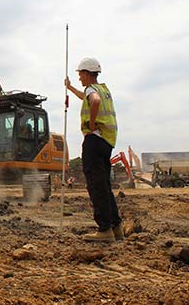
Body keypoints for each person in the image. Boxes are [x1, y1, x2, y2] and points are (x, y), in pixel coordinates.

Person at [65, 57, 123, 242]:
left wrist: (90, 125)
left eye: (80, 74)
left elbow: (94, 101)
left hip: (94, 141)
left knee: (96, 186)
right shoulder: (103, 90)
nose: (80, 78)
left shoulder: (93, 91)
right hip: (106, 141)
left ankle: (104, 230)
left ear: (87, 73)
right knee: (104, 185)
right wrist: (70, 87)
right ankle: (116, 227)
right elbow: (87, 98)